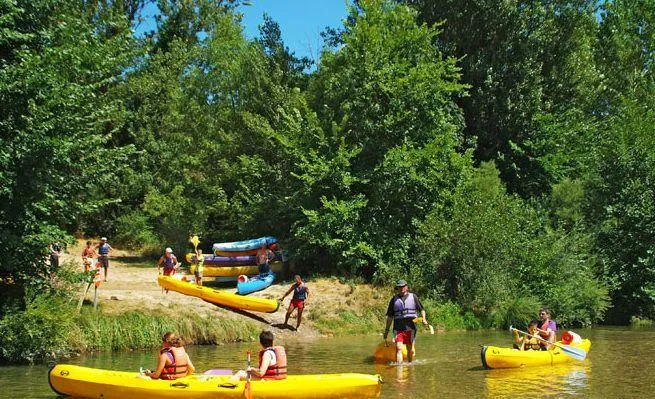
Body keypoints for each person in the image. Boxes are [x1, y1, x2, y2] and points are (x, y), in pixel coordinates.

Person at [383, 279, 428, 364]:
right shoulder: (394, 300)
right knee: (399, 348)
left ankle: (410, 365)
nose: (401, 288)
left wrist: (424, 319)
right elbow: (390, 317)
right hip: (398, 328)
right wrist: (386, 330)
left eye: (403, 286)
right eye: (399, 287)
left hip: (411, 328)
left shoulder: (413, 297)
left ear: (406, 287)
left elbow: (422, 310)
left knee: (409, 348)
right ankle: (399, 369)